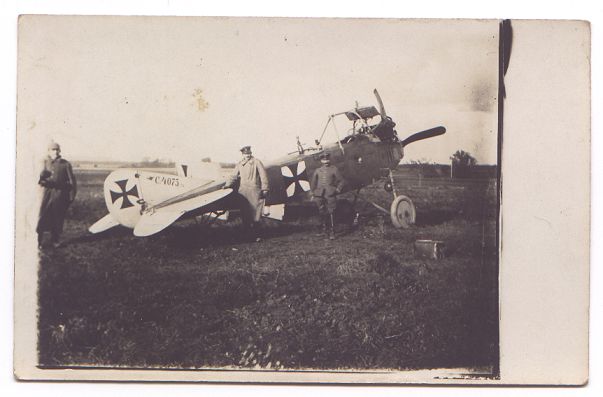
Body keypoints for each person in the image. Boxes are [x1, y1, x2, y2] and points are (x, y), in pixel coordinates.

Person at [37, 142, 77, 249]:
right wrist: (42, 180)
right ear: (48, 151)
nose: (55, 152)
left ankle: (55, 241)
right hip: (45, 195)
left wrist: (71, 197)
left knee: (57, 218)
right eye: (52, 150)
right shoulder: (44, 163)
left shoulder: (65, 164)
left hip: (59, 196)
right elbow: (37, 179)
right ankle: (38, 242)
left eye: (56, 150)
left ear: (59, 151)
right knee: (41, 217)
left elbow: (72, 182)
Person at [224, 146, 269, 242]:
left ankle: (257, 236)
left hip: (254, 190)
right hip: (243, 192)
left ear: (251, 153)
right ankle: (248, 236)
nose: (247, 155)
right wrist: (227, 185)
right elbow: (233, 176)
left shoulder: (257, 162)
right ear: (242, 154)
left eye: (249, 153)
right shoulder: (240, 164)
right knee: (245, 214)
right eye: (245, 154)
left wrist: (265, 188)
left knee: (256, 214)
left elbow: (263, 175)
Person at [311, 152, 344, 240]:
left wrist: (337, 189)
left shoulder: (334, 169)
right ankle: (324, 230)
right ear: (321, 161)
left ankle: (332, 232)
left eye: (327, 160)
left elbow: (341, 181)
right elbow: (313, 183)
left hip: (330, 193)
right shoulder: (318, 170)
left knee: (331, 212)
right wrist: (313, 192)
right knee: (321, 211)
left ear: (329, 160)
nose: (326, 161)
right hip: (319, 194)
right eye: (324, 160)